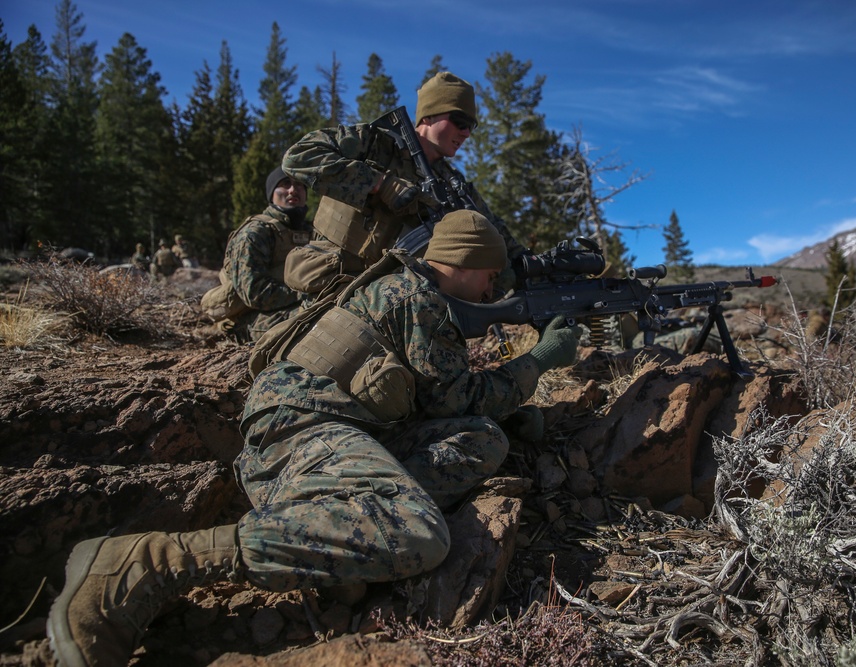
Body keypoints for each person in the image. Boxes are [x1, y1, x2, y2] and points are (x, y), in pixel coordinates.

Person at [45, 210, 581, 667]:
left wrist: (510, 413)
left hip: (344, 425)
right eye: (489, 275)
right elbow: (457, 395)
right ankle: (154, 561)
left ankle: (336, 528)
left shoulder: (415, 292)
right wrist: (537, 362)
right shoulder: (417, 299)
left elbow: (442, 402)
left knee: (485, 439)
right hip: (299, 426)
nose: (493, 288)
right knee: (421, 534)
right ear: (463, 263)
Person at [281, 71, 528, 298]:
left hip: (391, 296)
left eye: (471, 127)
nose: (466, 133)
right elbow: (299, 156)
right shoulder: (375, 143)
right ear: (428, 116)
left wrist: (533, 264)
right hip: (330, 283)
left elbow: (496, 234)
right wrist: (379, 183)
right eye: (460, 121)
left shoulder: (454, 186)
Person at [200, 167, 312, 342]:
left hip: (293, 304)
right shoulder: (255, 233)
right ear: (272, 194)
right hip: (252, 317)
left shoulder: (310, 230)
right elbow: (253, 292)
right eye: (285, 184)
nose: (293, 189)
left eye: (299, 185)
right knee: (316, 321)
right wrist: (304, 295)